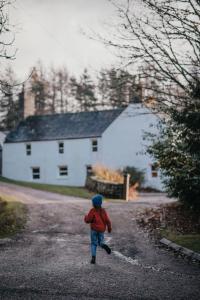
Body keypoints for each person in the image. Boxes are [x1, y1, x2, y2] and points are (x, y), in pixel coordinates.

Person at [84, 194, 112, 264]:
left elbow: (88, 220)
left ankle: (93, 257)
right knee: (100, 242)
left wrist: (85, 217)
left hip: (94, 230)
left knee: (93, 243)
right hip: (101, 230)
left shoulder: (92, 211)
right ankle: (102, 244)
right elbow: (107, 220)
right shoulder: (103, 211)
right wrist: (109, 227)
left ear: (93, 204)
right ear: (100, 203)